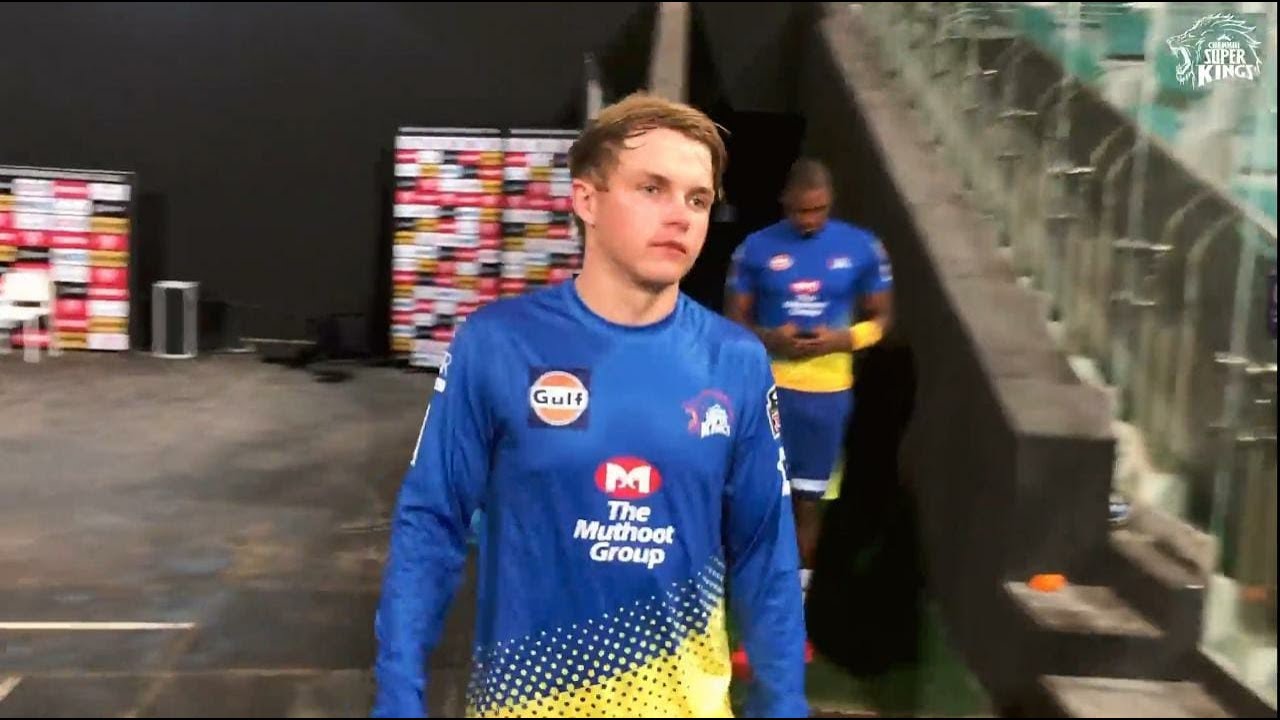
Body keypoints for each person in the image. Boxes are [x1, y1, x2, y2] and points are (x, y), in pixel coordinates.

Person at [372, 92, 808, 719]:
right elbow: (431, 525)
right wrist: (398, 696)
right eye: (652, 189)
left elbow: (766, 554)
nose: (680, 216)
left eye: (698, 199)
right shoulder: (496, 344)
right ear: (586, 200)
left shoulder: (736, 362)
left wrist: (784, 705)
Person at [725, 158, 894, 592]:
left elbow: (882, 321)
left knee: (808, 500)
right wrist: (770, 338)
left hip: (827, 395)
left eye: (818, 210)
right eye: (801, 210)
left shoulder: (862, 247)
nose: (809, 219)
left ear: (830, 202)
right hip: (767, 388)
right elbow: (732, 321)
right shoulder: (755, 248)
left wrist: (840, 339)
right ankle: (748, 584)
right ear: (785, 202)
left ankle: (798, 594)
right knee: (755, 494)